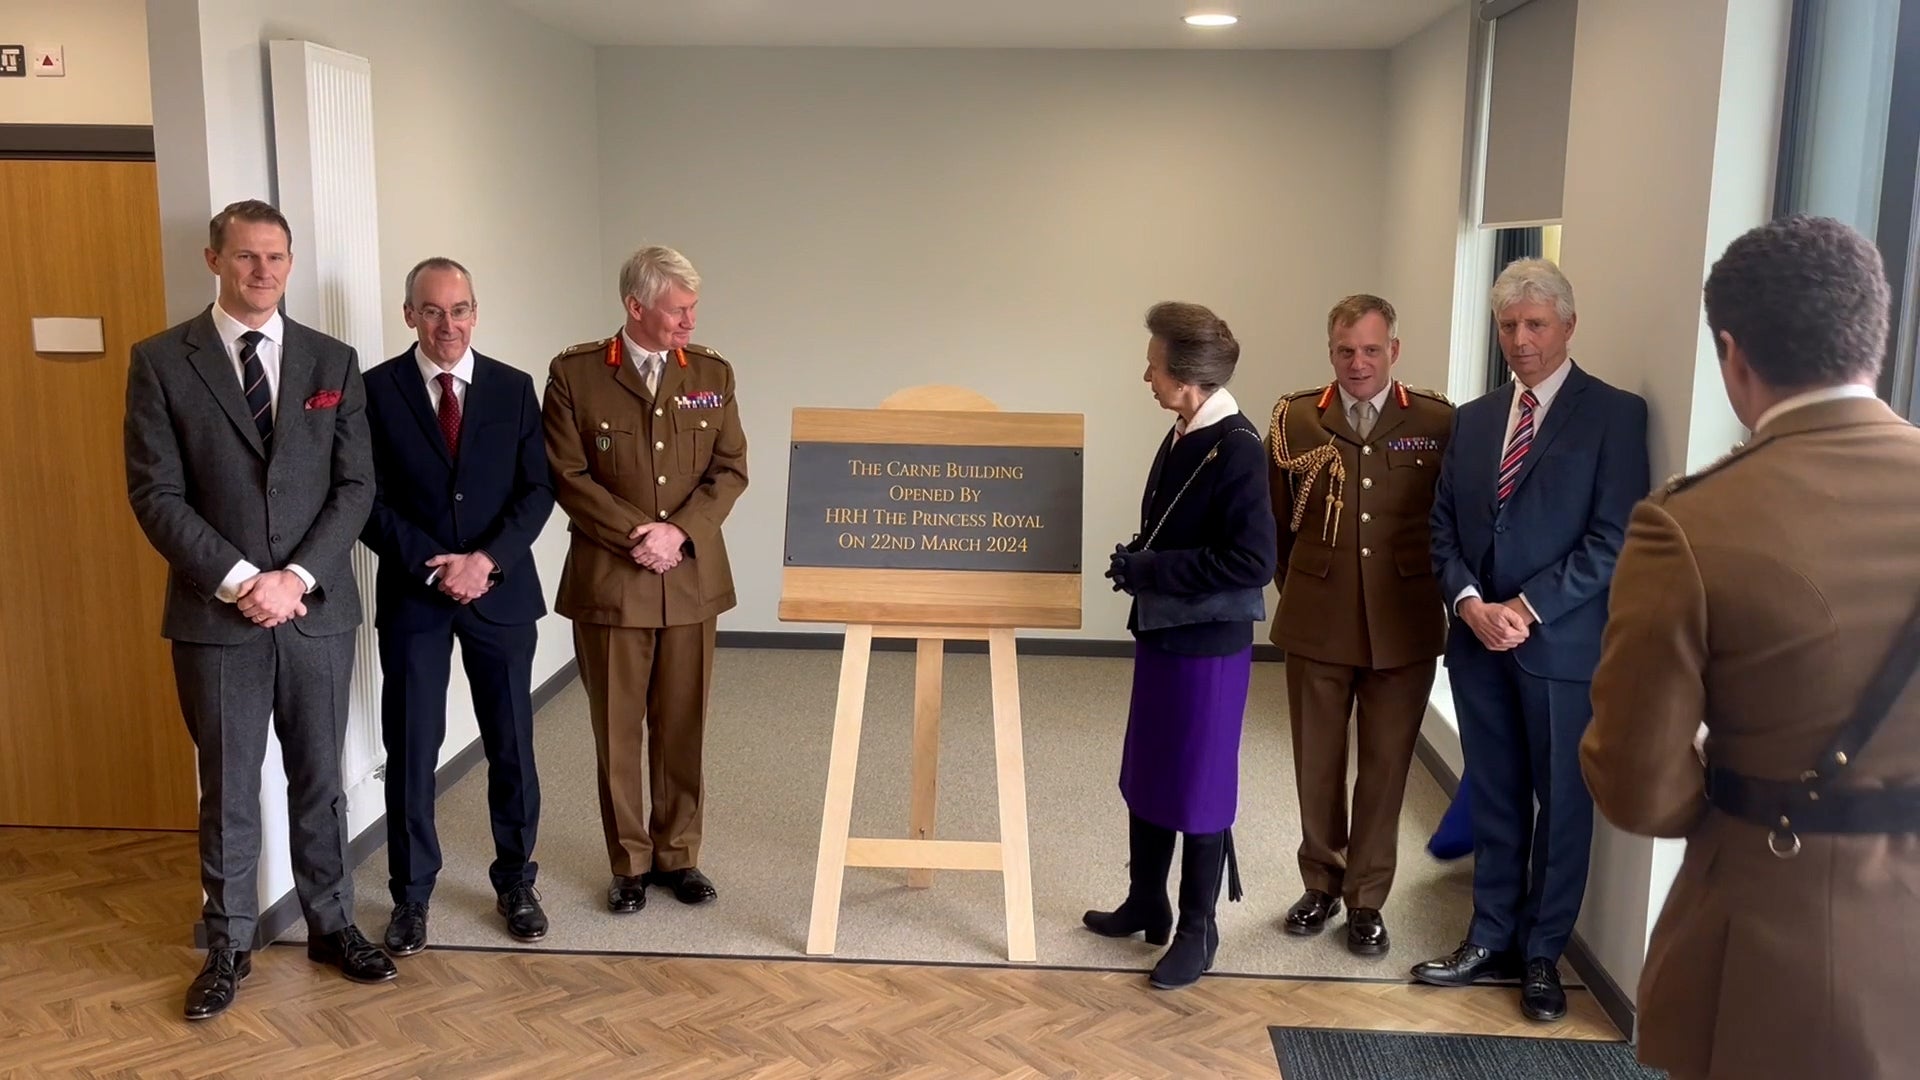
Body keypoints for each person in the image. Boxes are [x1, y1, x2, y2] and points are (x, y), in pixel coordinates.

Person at [1583, 215, 1920, 1080]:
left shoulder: (1691, 525)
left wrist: (1732, 794)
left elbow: (1635, 780)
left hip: (1788, 928)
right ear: (1874, 338)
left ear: (1732, 354)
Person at [123, 199, 393, 1021]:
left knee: (321, 779)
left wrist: (296, 577)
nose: (263, 272)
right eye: (245, 257)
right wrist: (244, 579)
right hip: (216, 619)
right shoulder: (162, 361)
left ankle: (331, 922)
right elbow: (155, 494)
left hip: (315, 611)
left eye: (275, 257)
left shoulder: (331, 361)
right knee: (230, 787)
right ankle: (230, 942)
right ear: (214, 259)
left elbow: (356, 488)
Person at [1411, 258, 1649, 1022]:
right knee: (1499, 797)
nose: (1521, 339)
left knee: (1563, 805)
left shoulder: (1614, 414)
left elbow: (1615, 538)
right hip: (1479, 641)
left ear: (1568, 327)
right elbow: (1443, 526)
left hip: (1561, 648)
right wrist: (1474, 601)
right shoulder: (1475, 418)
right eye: (1509, 325)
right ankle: (1490, 939)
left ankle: (1543, 952)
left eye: (1536, 324)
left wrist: (1528, 607)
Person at [542, 245, 748, 913]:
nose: (690, 320)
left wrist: (678, 531)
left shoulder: (711, 372)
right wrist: (640, 535)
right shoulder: (576, 375)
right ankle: (629, 862)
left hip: (689, 576)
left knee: (683, 723)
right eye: (677, 309)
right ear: (636, 308)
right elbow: (566, 476)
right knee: (619, 727)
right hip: (611, 578)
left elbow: (730, 468)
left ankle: (678, 854)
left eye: (693, 308)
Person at [360, 257, 556, 955]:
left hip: (500, 595)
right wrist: (430, 565)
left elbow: (537, 490)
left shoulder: (512, 388)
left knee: (511, 744)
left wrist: (486, 561)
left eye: (462, 309)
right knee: (412, 748)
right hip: (416, 598)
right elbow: (363, 497)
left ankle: (516, 882)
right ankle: (410, 898)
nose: (449, 325)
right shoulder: (374, 391)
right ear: (409, 313)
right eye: (434, 310)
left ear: (477, 312)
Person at [1085, 301, 1276, 990]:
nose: (1146, 375)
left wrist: (1153, 570)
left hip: (1209, 651)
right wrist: (1139, 559)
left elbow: (1253, 563)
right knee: (1151, 768)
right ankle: (1146, 901)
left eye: (1154, 363)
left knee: (1198, 785)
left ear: (1187, 375)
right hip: (1165, 632)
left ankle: (1199, 929)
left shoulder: (1238, 446)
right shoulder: (1184, 430)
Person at [1266, 294, 1453, 955]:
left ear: (1393, 351)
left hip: (1403, 623)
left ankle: (1366, 899)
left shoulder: (1434, 421)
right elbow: (1279, 524)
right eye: (1346, 351)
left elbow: (1445, 521)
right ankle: (1320, 881)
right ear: (1331, 352)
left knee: (1385, 768)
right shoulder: (1295, 419)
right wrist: (1306, 588)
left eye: (1372, 350)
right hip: (1317, 617)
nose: (1358, 363)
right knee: (1317, 762)